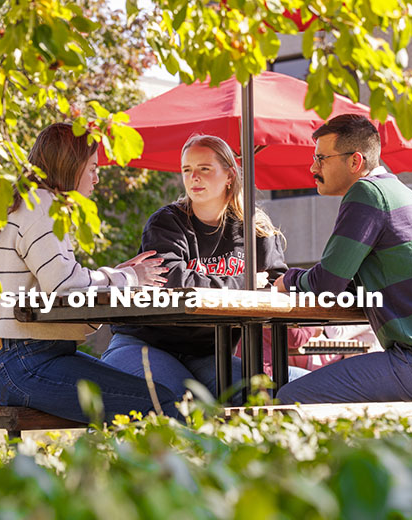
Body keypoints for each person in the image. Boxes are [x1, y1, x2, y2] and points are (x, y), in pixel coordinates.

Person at [273, 114, 412, 404]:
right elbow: (351, 286)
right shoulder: (399, 192)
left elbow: (325, 285)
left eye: (321, 158)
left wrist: (285, 280)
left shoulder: (367, 193)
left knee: (291, 397)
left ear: (355, 162)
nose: (312, 168)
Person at [0, 123, 182, 423]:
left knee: (145, 401)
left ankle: (112, 469)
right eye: (92, 169)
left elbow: (63, 284)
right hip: (24, 362)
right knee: (158, 402)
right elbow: (66, 289)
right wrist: (130, 278)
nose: (97, 179)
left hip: (16, 359)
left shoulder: (30, 203)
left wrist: (114, 276)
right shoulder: (41, 205)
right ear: (69, 166)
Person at [102, 134, 299, 400]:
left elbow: (276, 286)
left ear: (229, 175)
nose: (194, 177)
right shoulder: (167, 223)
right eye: (187, 170)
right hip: (146, 343)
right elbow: (172, 279)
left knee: (259, 396)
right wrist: (245, 283)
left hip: (210, 352)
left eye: (204, 169)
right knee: (176, 400)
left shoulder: (257, 230)